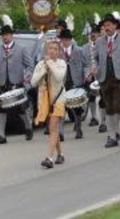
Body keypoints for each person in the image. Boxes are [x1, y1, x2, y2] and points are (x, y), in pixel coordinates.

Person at [90, 14, 120, 148]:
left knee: (118, 106)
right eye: (105, 26)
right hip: (104, 78)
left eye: (109, 25)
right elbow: (94, 57)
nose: (107, 28)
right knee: (109, 108)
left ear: (115, 26)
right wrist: (94, 67)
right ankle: (112, 136)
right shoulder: (100, 41)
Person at [0, 24, 34, 145]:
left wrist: (27, 75)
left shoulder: (21, 48)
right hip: (2, 85)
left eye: (7, 35)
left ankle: (28, 127)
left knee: (21, 109)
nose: (5, 37)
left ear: (11, 35)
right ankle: (1, 136)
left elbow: (29, 65)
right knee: (0, 110)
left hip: (17, 83)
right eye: (3, 35)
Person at [32, 41, 67, 169]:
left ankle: (49, 158)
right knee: (54, 129)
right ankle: (60, 154)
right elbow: (33, 82)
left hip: (58, 100)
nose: (52, 50)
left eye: (55, 49)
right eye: (50, 48)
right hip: (45, 100)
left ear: (58, 51)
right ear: (47, 50)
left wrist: (50, 63)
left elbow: (59, 77)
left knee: (52, 127)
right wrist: (43, 69)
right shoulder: (40, 64)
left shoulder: (61, 64)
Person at [59, 28, 89, 140]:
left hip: (76, 82)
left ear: (71, 40)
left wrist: (86, 74)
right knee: (61, 107)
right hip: (63, 82)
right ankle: (60, 132)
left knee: (77, 107)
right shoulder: (58, 52)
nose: (65, 42)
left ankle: (79, 128)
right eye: (63, 40)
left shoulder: (79, 51)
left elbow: (86, 65)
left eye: (67, 39)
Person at [83, 23, 103, 132]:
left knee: (103, 98)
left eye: (95, 33)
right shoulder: (85, 48)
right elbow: (84, 63)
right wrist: (88, 73)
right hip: (90, 76)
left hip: (101, 74)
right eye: (91, 33)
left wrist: (98, 71)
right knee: (91, 97)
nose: (93, 35)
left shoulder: (102, 45)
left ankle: (103, 119)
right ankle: (94, 117)